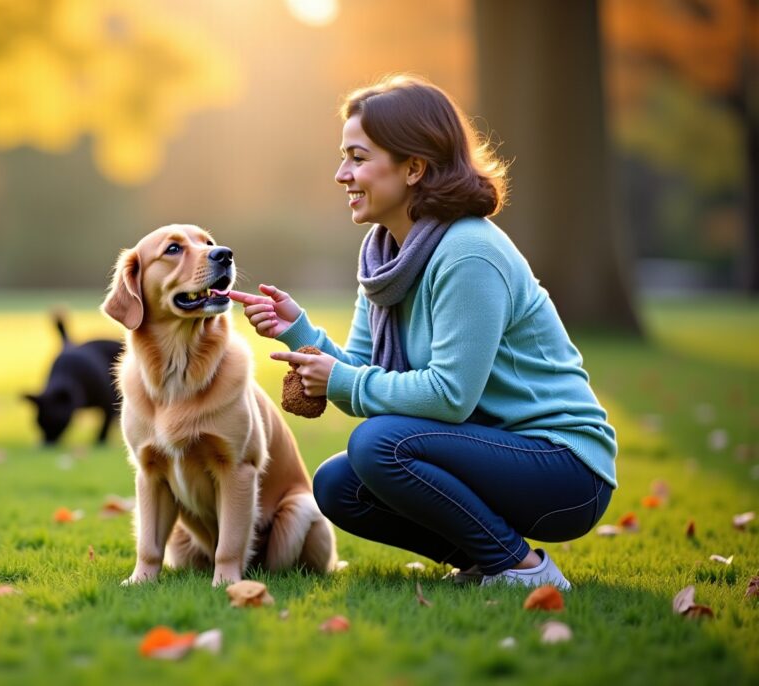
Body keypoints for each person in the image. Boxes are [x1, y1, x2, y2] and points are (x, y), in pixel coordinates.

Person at [228, 74, 615, 590]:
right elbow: (361, 371)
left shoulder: (469, 253)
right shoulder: (385, 258)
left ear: (414, 167)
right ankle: (489, 559)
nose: (342, 174)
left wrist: (340, 379)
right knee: (338, 485)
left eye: (358, 158)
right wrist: (298, 332)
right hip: (491, 452)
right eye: (344, 157)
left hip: (562, 468)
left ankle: (521, 569)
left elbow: (450, 397)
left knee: (378, 444)